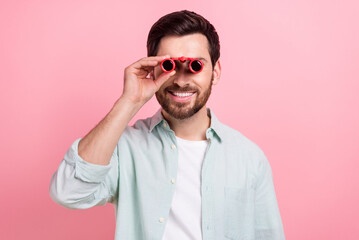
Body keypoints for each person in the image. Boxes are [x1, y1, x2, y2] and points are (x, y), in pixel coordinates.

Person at [49, 10, 285, 240]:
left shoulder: (249, 158)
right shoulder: (123, 149)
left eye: (196, 65)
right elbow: (68, 192)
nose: (181, 81)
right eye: (169, 66)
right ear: (153, 68)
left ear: (215, 72)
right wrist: (129, 102)